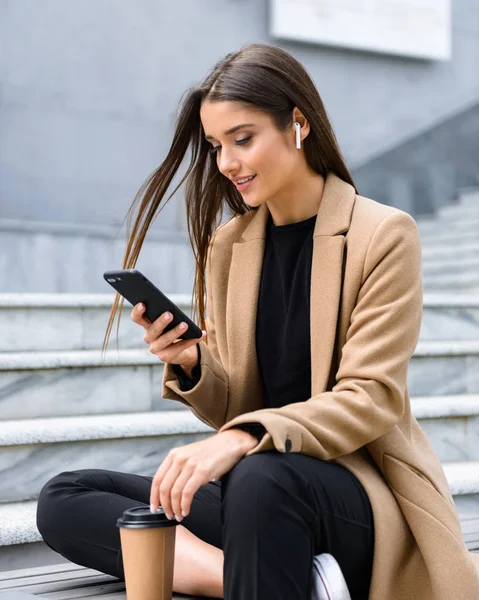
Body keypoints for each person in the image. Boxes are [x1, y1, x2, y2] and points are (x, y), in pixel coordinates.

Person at [36, 43, 479, 600]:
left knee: (259, 479)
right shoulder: (231, 245)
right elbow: (236, 400)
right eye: (217, 145)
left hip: (353, 494)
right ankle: (259, 577)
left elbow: (369, 398)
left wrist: (244, 438)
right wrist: (195, 363)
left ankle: (275, 566)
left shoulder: (383, 235)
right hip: (258, 493)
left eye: (243, 139)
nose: (226, 164)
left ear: (297, 125)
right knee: (66, 496)